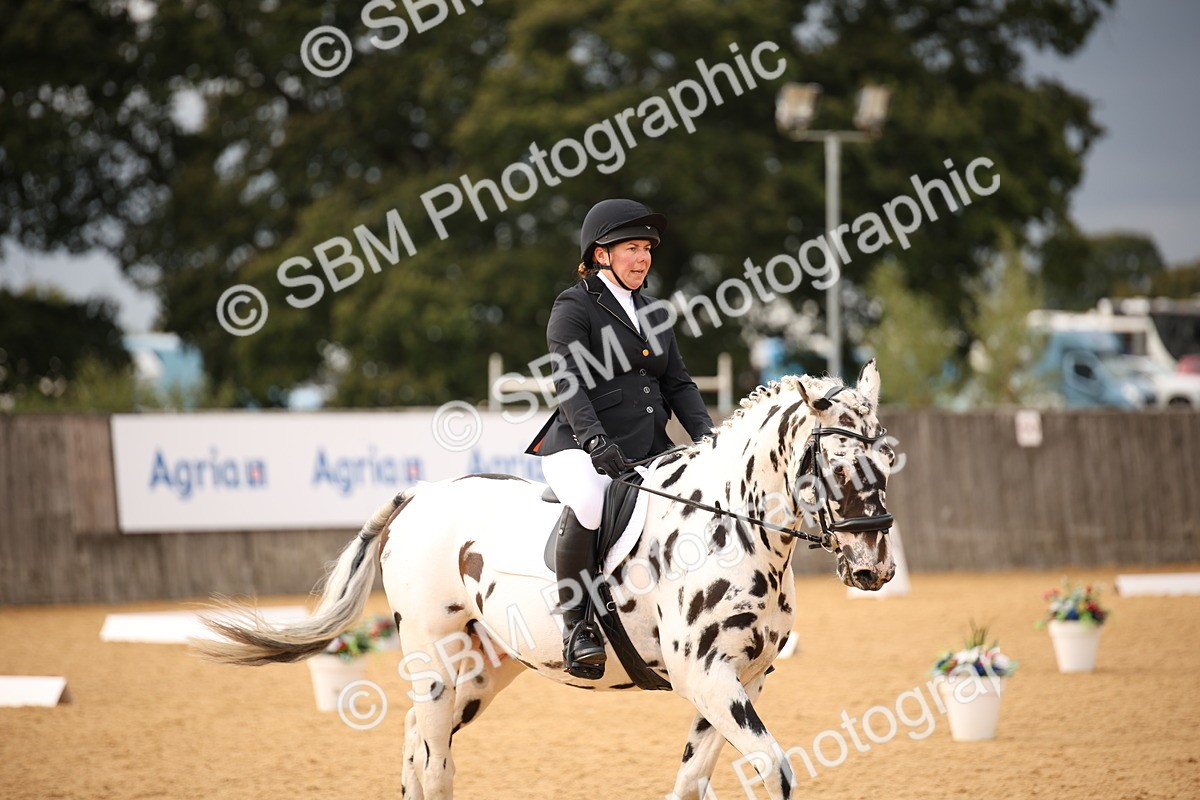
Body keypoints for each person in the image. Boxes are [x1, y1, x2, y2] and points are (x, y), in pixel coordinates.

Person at [525, 198, 714, 678]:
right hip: (579, 445)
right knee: (590, 501)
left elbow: (679, 384)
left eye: (647, 249)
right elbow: (568, 381)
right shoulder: (575, 305)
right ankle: (577, 626)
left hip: (649, 446)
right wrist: (593, 442)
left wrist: (709, 440)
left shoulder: (655, 312)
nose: (643, 258)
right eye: (631, 248)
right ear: (601, 253)